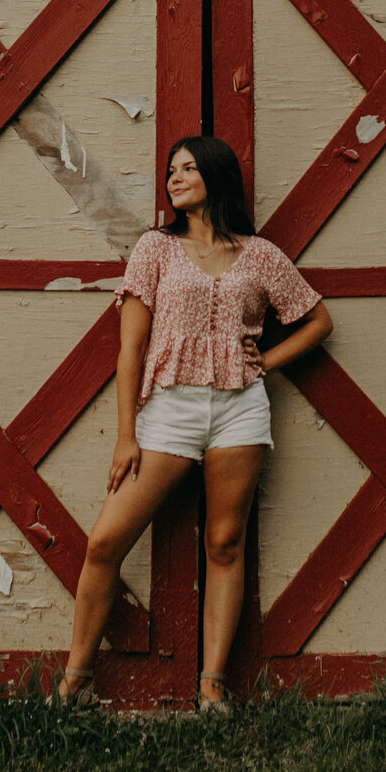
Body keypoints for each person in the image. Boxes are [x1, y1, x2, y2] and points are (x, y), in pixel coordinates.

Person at [56, 135, 332, 714]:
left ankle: (211, 685)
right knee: (105, 541)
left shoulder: (259, 255)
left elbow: (317, 321)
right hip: (168, 413)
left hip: (240, 410)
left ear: (216, 174)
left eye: (187, 168)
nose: (174, 177)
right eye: (170, 171)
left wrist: (269, 361)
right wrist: (127, 433)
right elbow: (129, 351)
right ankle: (74, 682)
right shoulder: (154, 250)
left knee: (224, 542)